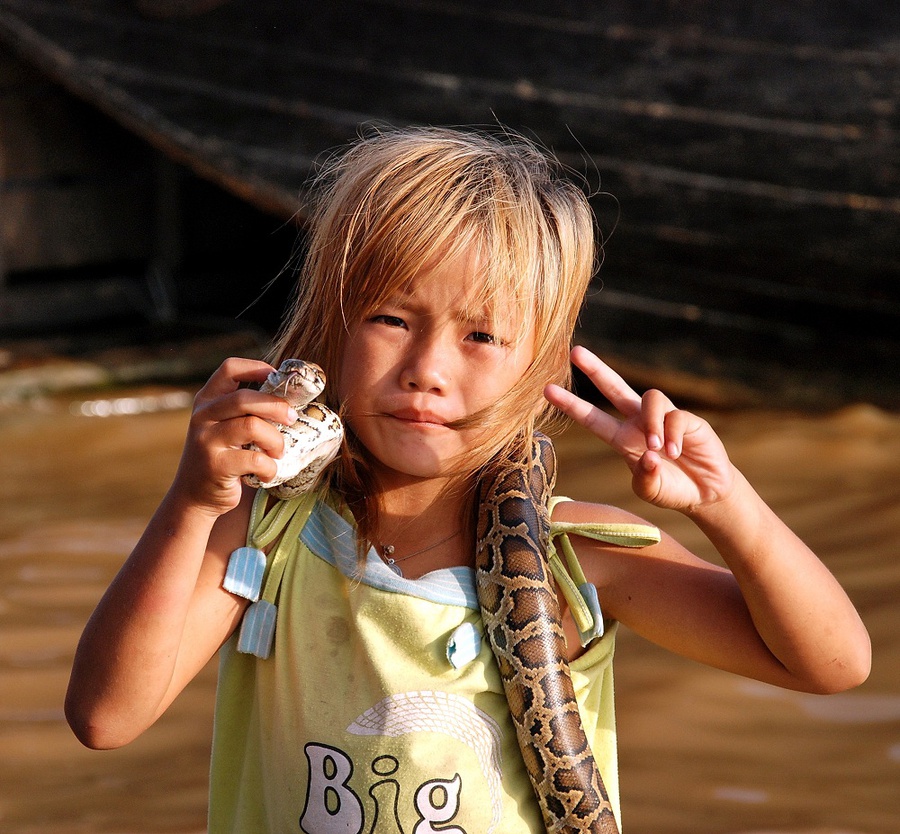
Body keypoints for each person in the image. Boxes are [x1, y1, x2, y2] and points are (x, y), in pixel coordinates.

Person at [65, 126, 871, 833]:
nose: (427, 371)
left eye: (482, 335)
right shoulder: (267, 530)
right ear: (331, 326)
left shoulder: (574, 554)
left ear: (547, 367)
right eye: (390, 319)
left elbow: (830, 666)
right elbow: (105, 718)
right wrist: (194, 500)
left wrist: (728, 504)